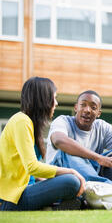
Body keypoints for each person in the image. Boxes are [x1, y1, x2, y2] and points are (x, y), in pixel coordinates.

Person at [0, 77, 85, 211]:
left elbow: (34, 175)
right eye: (54, 98)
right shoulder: (21, 121)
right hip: (13, 198)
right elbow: (32, 167)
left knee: (71, 183)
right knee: (71, 181)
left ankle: (54, 205)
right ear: (43, 99)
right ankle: (53, 205)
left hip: (27, 190)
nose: (56, 103)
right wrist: (71, 171)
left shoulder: (30, 124)